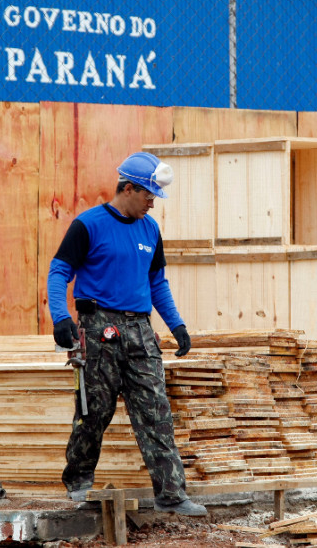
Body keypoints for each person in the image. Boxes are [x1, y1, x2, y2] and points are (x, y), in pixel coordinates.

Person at [47, 151, 206, 517]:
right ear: (128, 188)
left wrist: (176, 325)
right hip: (98, 329)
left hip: (140, 330)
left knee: (156, 412)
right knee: (94, 412)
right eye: (149, 194)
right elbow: (59, 272)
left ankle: (171, 495)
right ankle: (79, 481)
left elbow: (157, 283)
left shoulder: (150, 229)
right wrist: (60, 318)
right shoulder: (88, 225)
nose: (153, 202)